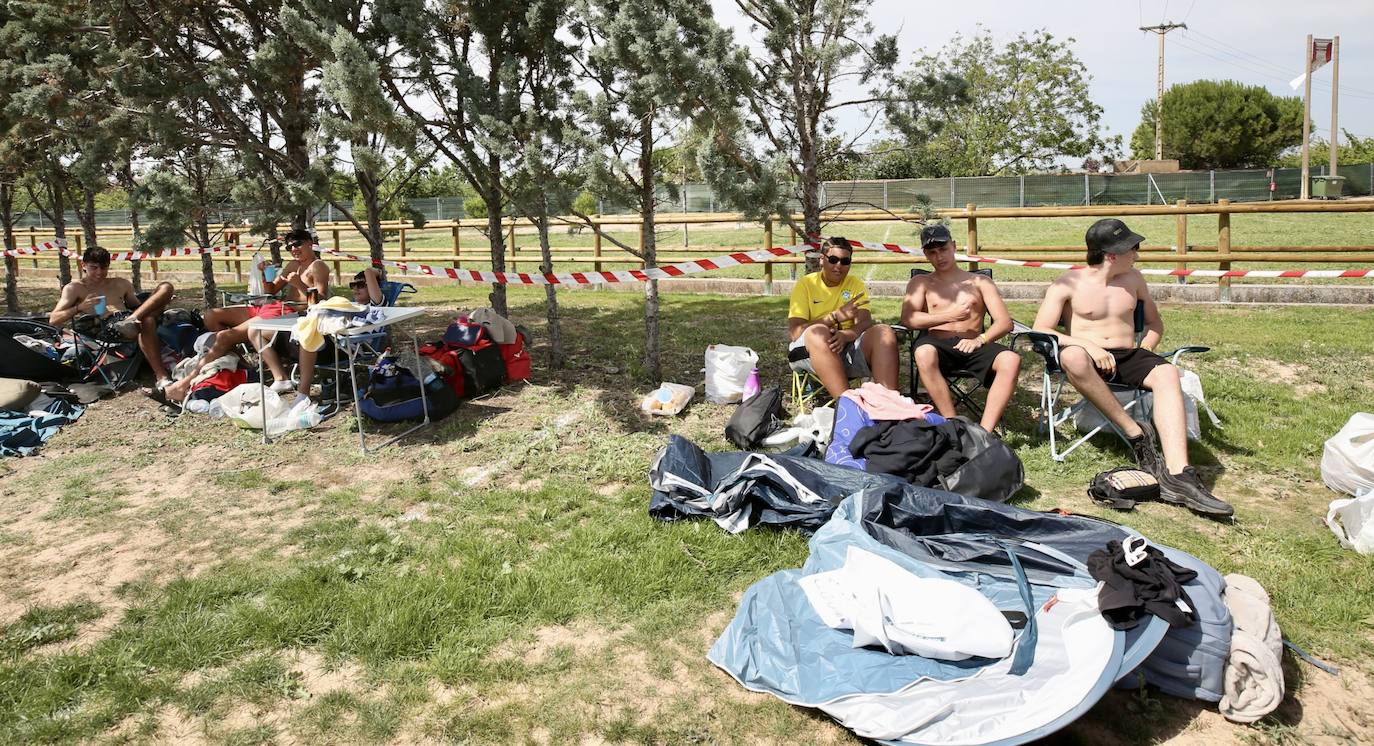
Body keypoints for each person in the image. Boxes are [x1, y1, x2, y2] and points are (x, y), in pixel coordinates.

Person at [1032, 218, 1232, 517]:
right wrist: (1089, 346)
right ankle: (1137, 434)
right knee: (1072, 356)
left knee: (1166, 372)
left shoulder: (1134, 280)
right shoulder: (1067, 283)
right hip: (1087, 356)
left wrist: (1146, 349)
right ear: (1111, 255)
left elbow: (1154, 324)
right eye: (1132, 249)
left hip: (1128, 354)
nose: (1137, 254)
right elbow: (1042, 329)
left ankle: (1179, 475)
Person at [159, 228, 329, 403]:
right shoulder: (293, 265)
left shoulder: (318, 266)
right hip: (273, 307)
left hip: (289, 312)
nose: (294, 249)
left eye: (297, 244)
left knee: (225, 337)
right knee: (211, 316)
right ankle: (243, 364)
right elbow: (271, 290)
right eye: (289, 247)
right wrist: (264, 275)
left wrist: (299, 284)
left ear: (310, 243)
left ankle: (183, 385)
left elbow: (321, 301)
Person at [899, 224, 1021, 432]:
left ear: (954, 246)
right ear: (926, 255)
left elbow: (1004, 322)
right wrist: (949, 316)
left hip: (974, 343)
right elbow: (909, 319)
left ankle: (984, 433)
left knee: (1011, 359)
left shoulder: (980, 282)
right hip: (937, 344)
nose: (939, 256)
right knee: (924, 352)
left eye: (943, 249)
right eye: (932, 252)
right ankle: (952, 425)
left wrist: (979, 340)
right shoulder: (921, 282)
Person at [787, 236, 899, 399]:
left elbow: (865, 321)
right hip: (810, 351)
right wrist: (834, 317)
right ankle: (849, 406)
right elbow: (796, 332)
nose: (838, 266)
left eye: (845, 262)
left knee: (884, 331)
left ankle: (890, 405)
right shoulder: (805, 284)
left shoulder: (854, 284)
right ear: (821, 260)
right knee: (819, 332)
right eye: (833, 260)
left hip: (845, 347)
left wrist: (846, 335)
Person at [48, 245, 176, 387]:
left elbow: (137, 305)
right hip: (108, 327)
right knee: (147, 321)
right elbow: (54, 319)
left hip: (130, 317)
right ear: (83, 265)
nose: (99, 272)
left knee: (166, 287)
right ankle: (161, 375)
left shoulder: (120, 283)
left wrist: (159, 302)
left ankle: (130, 321)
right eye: (94, 267)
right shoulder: (75, 288)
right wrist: (80, 307)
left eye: (103, 268)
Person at [292, 267, 385, 401]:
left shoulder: (377, 305)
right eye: (353, 285)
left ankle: (303, 393)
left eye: (361, 285)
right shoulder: (349, 306)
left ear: (372, 286)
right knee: (302, 334)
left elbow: (369, 272)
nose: (356, 289)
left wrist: (377, 273)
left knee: (308, 337)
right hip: (336, 343)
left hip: (351, 348)